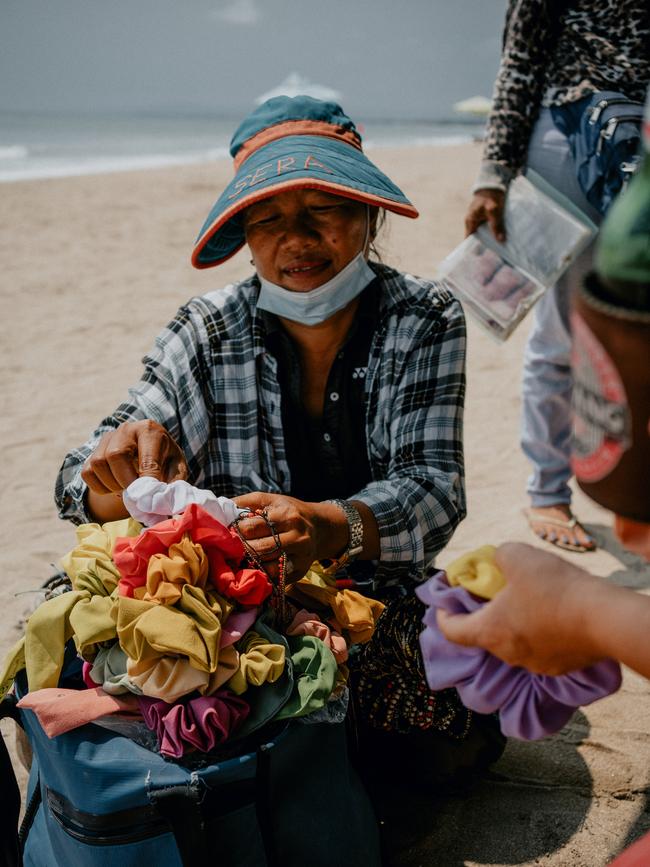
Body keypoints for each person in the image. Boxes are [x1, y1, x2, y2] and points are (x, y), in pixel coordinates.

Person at [55, 95, 504, 784]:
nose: (295, 241)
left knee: (454, 707)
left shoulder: (425, 316)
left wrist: (330, 527)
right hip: (226, 606)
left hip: (369, 594)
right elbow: (75, 479)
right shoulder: (207, 329)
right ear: (243, 233)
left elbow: (433, 488)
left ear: (367, 212)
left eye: (322, 209)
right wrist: (115, 470)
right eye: (267, 219)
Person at [464, 0, 649, 552]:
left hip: (639, 136)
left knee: (636, 330)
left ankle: (630, 495)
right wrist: (493, 173)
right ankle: (547, 489)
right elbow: (521, 60)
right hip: (572, 137)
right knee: (567, 332)